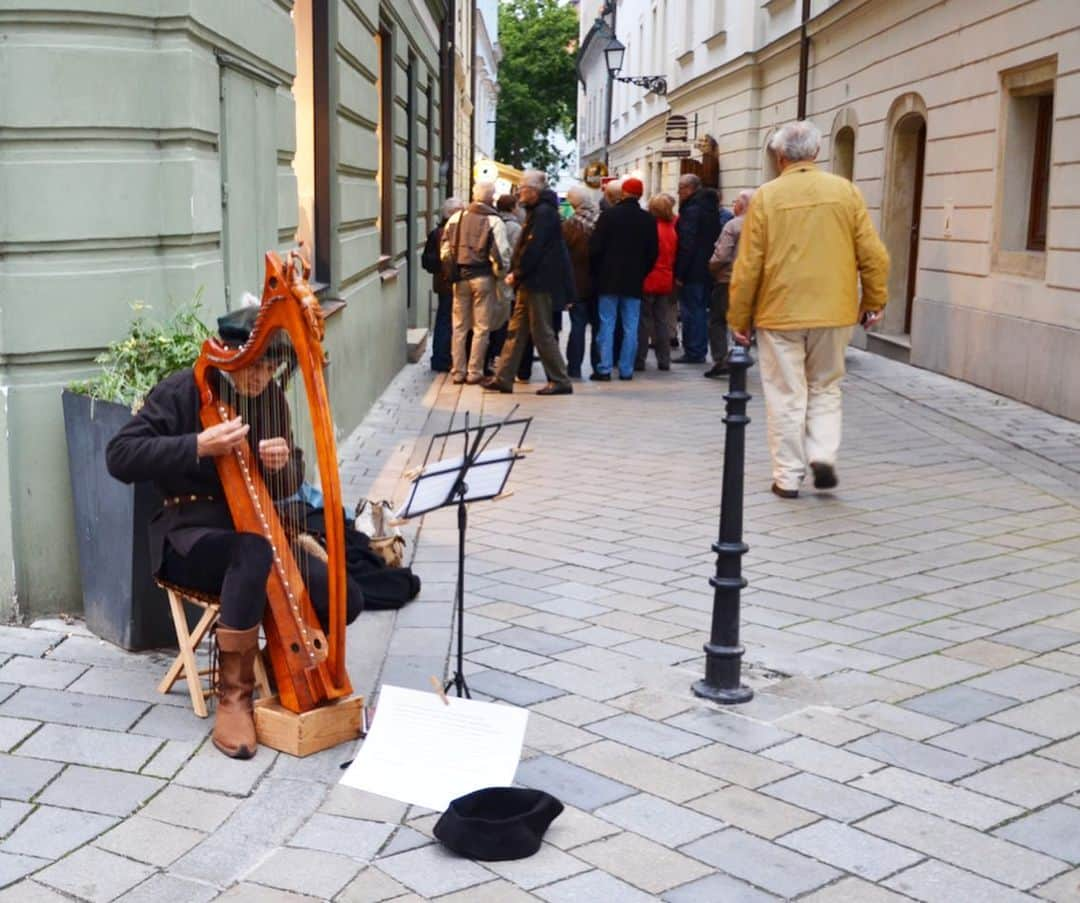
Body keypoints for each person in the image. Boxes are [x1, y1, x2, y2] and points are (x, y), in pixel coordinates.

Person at [105, 308, 366, 760]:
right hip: (188, 536)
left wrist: (284, 466)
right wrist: (197, 446)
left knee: (347, 597)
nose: (262, 376)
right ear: (228, 355)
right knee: (252, 552)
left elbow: (288, 479)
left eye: (270, 366)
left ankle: (272, 663)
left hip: (255, 536)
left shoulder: (271, 400)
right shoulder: (183, 390)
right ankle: (234, 698)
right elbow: (119, 455)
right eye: (254, 365)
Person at [729, 120, 889, 498]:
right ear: (816, 153)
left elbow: (749, 264)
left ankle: (787, 476)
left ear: (780, 156)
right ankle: (823, 454)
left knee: (786, 393)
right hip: (834, 310)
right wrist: (874, 300)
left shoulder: (767, 197)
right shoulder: (845, 192)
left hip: (779, 311)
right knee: (826, 386)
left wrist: (739, 318)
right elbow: (873, 255)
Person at [481, 170, 575, 396]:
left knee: (541, 331)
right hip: (531, 281)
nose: (519, 193)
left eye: (522, 188)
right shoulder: (540, 211)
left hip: (538, 282)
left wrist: (518, 272)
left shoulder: (543, 213)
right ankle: (504, 377)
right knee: (516, 329)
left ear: (533, 191)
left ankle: (560, 379)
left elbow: (534, 248)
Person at [440, 181, 511, 385]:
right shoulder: (493, 221)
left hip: (460, 278)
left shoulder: (456, 217)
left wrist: (451, 271)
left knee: (459, 326)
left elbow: (445, 249)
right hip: (483, 278)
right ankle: (474, 371)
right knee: (481, 327)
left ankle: (457, 370)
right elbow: (501, 253)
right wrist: (500, 274)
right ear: (490, 197)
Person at [588, 177, 658, 381]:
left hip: (608, 279)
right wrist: (641, 272)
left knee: (607, 323)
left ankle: (604, 368)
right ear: (640, 194)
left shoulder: (608, 216)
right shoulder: (647, 219)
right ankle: (627, 369)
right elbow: (653, 253)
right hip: (633, 280)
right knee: (631, 325)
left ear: (623, 193)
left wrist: (598, 271)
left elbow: (595, 249)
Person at [674, 174, 723, 364]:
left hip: (693, 269)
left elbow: (687, 242)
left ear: (689, 188)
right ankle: (699, 348)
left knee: (692, 310)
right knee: (701, 309)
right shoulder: (710, 208)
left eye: (681, 188)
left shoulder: (692, 210)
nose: (679, 192)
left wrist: (680, 272)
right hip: (706, 267)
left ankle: (694, 350)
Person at [705, 188, 754, 380]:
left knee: (718, 319)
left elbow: (722, 254)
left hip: (729, 279)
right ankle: (742, 357)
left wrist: (713, 268)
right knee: (746, 321)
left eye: (735, 202)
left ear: (741, 205)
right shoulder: (763, 224)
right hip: (753, 282)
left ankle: (721, 359)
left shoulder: (733, 225)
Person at [635, 193, 678, 372]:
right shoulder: (672, 229)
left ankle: (640, 359)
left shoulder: (652, 228)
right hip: (666, 277)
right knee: (662, 320)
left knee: (644, 321)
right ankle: (664, 359)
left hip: (649, 277)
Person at [421, 197, 465, 372]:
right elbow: (428, 261)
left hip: (443, 284)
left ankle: (440, 358)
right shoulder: (456, 232)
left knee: (444, 320)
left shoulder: (436, 233)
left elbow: (427, 261)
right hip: (456, 282)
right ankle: (446, 358)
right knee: (453, 322)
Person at [561, 185, 600, 379]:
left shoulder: (570, 225)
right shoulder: (600, 220)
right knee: (599, 327)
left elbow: (563, 255)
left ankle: (574, 368)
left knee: (577, 326)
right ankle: (598, 366)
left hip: (577, 282)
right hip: (599, 282)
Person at [486, 193, 523, 375]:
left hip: (490, 275)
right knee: (503, 319)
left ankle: (490, 356)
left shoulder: (491, 221)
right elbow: (516, 253)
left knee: (491, 317)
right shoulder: (514, 227)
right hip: (505, 277)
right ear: (512, 207)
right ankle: (498, 355)